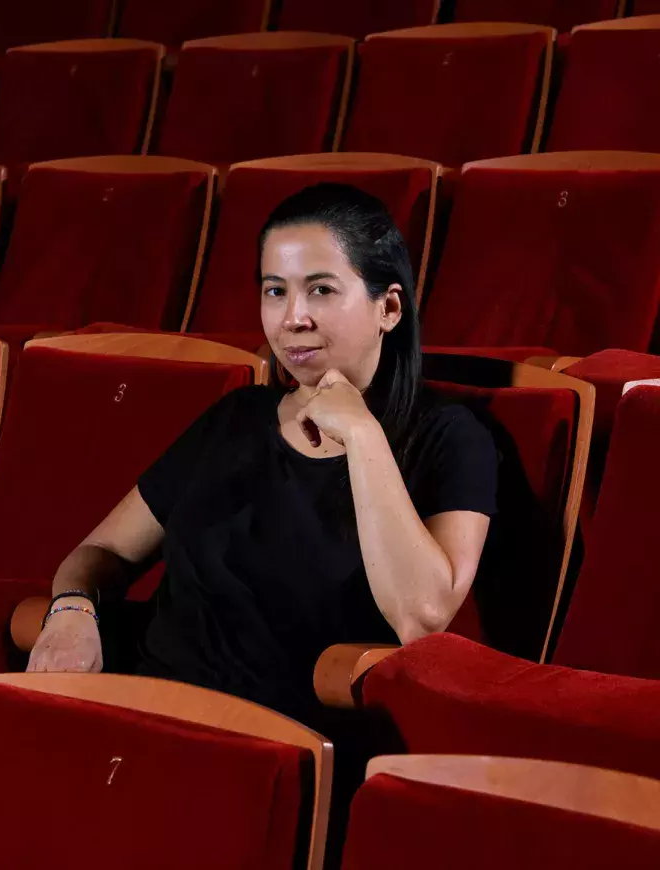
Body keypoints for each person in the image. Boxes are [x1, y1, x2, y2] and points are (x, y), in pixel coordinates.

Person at [27, 183, 498, 725]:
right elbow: (102, 550)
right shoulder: (238, 417)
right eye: (275, 291)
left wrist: (362, 433)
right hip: (144, 714)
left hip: (278, 745)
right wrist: (72, 610)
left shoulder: (448, 437)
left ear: (389, 307)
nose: (292, 318)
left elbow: (421, 617)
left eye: (321, 290)